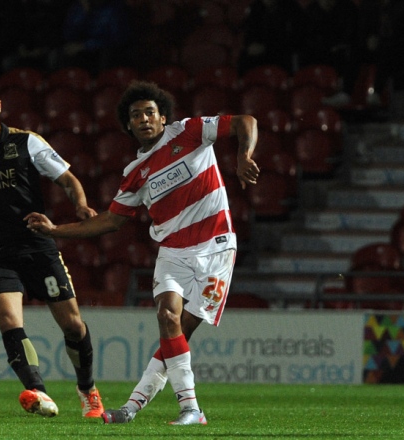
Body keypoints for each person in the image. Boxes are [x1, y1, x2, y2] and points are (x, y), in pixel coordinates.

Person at [25, 80, 260, 425]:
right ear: (129, 125)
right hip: (172, 253)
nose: (144, 119)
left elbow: (246, 122)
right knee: (167, 318)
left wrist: (244, 155)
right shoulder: (135, 174)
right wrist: (55, 231)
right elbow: (109, 222)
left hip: (216, 247)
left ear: (163, 117)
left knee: (179, 333)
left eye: (150, 112)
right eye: (136, 115)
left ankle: (132, 407)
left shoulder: (190, 132)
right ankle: (191, 409)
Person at [0, 76, 104, 418]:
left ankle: (87, 388)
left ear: (0, 105)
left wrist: (80, 205)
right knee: (7, 319)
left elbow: (67, 179)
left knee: (73, 325)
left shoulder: (28, 142)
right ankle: (40, 394)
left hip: (37, 247)